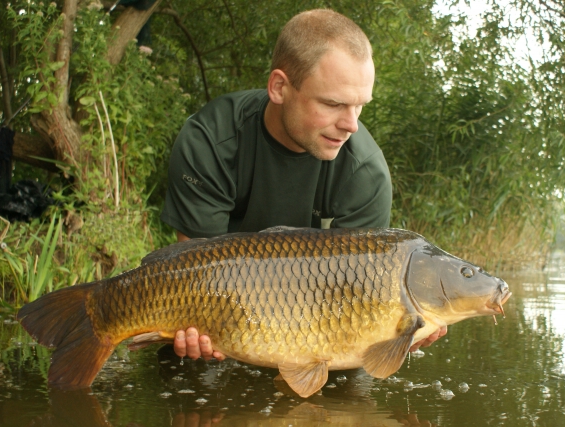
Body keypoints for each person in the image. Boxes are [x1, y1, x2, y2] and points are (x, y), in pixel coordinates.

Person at [160, 9, 446, 362]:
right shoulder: (211, 141)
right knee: (191, 369)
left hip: (315, 325)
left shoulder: (365, 173)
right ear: (280, 87)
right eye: (333, 104)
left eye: (360, 107)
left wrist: (394, 335)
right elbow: (194, 281)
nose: (351, 125)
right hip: (225, 312)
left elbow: (356, 304)